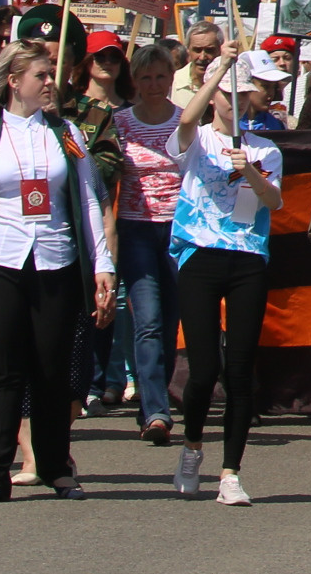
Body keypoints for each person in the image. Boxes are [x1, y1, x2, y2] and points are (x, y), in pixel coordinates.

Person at [0, 40, 114, 501]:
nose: (49, 84)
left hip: (55, 261)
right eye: (39, 75)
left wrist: (103, 265)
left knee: (52, 369)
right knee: (2, 370)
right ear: (14, 82)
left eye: (50, 76)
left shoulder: (68, 134)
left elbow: (88, 202)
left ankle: (57, 467)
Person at [167, 40, 282, 505]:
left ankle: (231, 471)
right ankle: (192, 446)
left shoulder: (266, 148)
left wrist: (250, 171)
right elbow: (184, 122)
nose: (235, 104)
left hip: (248, 259)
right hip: (201, 254)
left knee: (238, 369)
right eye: (226, 95)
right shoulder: (199, 140)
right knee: (203, 369)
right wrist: (221, 69)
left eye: (243, 95)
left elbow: (273, 200)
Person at [108, 41, 186, 445]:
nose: (153, 85)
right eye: (145, 78)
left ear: (171, 79)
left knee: (170, 320)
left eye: (160, 76)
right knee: (148, 319)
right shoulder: (121, 123)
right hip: (136, 228)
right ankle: (156, 410)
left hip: (178, 228)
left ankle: (154, 402)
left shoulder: (186, 120)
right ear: (135, 81)